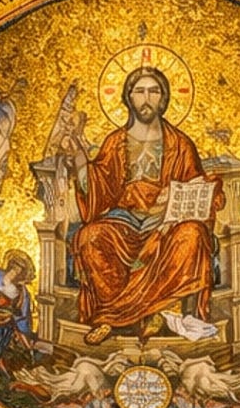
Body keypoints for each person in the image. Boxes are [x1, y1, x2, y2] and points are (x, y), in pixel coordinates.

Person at [71, 65, 220, 345]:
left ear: (163, 99)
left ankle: (160, 311)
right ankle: (109, 316)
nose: (146, 98)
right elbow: (99, 187)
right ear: (129, 98)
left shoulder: (180, 143)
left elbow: (198, 184)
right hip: (123, 220)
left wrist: (179, 195)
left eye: (154, 91)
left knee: (192, 235)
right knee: (90, 237)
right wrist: (79, 162)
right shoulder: (115, 142)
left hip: (165, 222)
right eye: (139, 91)